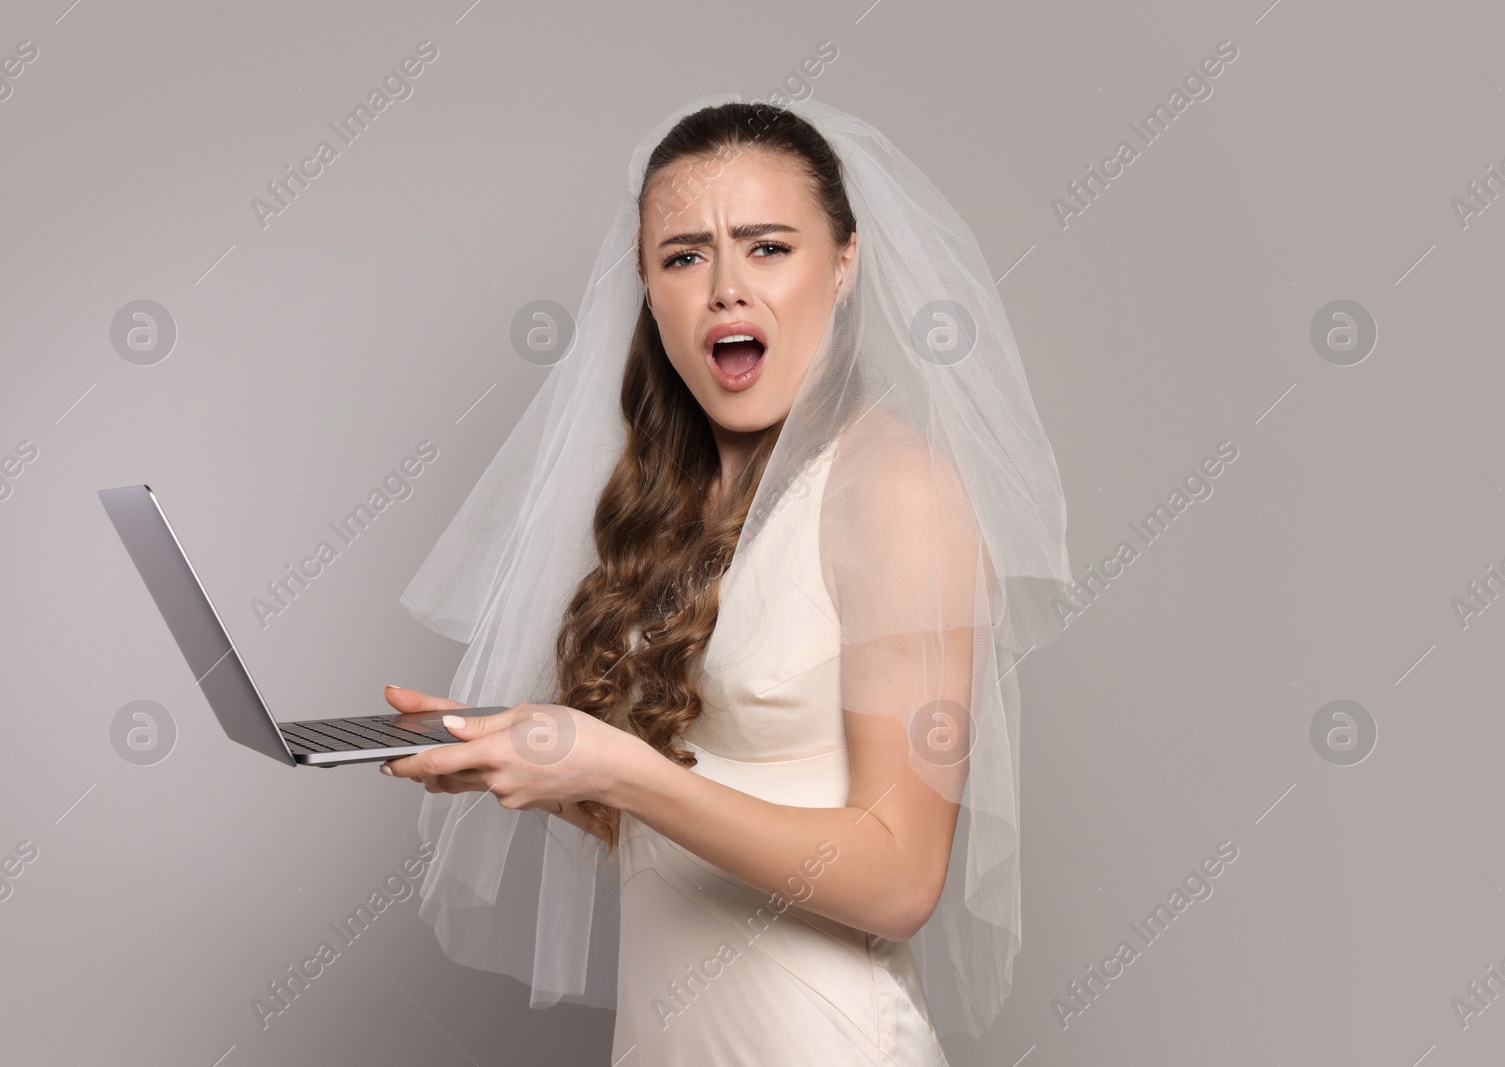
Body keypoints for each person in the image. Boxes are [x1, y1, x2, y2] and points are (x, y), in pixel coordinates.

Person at [380, 94, 1073, 1065]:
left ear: (843, 265)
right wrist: (533, 757)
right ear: (646, 285)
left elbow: (902, 875)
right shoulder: (679, 502)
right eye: (683, 255)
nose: (725, 290)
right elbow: (700, 800)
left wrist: (618, 767)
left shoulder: (893, 489)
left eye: (767, 247)